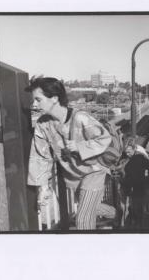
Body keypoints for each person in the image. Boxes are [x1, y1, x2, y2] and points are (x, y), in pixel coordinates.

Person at [26, 77, 116, 230]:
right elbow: (40, 157)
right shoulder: (42, 124)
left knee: (82, 220)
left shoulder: (80, 117)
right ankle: (114, 213)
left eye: (38, 99)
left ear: (54, 98)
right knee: (88, 207)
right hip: (73, 177)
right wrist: (43, 188)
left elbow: (105, 138)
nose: (34, 104)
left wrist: (80, 146)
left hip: (93, 173)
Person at [123, 143, 149, 228]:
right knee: (133, 207)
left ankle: (139, 225)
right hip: (130, 188)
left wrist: (146, 180)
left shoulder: (141, 158)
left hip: (138, 187)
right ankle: (135, 224)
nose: (127, 154)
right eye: (126, 152)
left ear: (134, 150)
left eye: (129, 152)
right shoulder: (127, 159)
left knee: (138, 207)